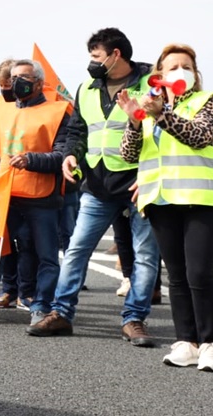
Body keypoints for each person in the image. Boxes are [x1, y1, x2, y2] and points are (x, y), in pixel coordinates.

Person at [29, 28, 160, 347]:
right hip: (98, 185)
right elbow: (78, 131)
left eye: (96, 57)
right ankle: (61, 313)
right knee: (76, 249)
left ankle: (134, 319)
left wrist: (153, 174)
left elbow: (160, 133)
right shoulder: (86, 87)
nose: (91, 63)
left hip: (140, 181)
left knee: (145, 254)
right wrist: (71, 156)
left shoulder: (151, 85)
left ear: (117, 55)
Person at [118, 44, 213, 372]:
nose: (180, 70)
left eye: (187, 65)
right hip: (162, 199)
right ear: (160, 75)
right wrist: (135, 120)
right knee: (177, 275)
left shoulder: (206, 101)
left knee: (198, 272)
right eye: (173, 66)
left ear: (195, 73)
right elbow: (128, 154)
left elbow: (201, 136)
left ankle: (211, 343)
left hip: (203, 197)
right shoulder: (150, 106)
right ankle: (187, 341)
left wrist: (159, 115)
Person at [0, 60, 68, 326]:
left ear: (39, 82)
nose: (17, 81)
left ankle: (41, 306)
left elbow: (63, 155)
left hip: (42, 197)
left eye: (24, 77)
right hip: (3, 193)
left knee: (45, 254)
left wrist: (31, 160)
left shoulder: (58, 112)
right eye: (14, 76)